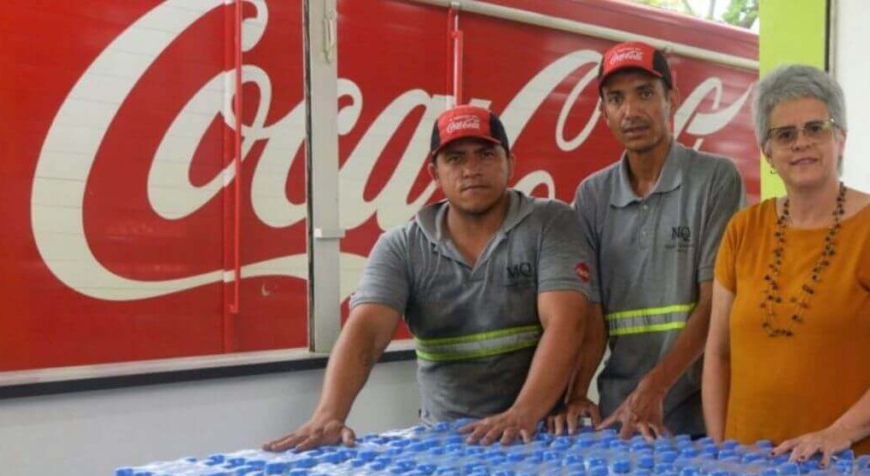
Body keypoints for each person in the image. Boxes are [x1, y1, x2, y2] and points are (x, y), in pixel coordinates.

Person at [265, 105, 596, 451]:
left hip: (540, 436)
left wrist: (523, 413)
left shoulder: (551, 224)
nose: (471, 169)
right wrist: (328, 415)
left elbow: (567, 322)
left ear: (510, 163)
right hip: (446, 442)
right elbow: (366, 333)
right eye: (455, 158)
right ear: (434, 174)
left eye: (485, 155)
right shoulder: (402, 247)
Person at [702, 64, 870, 462]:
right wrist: (721, 450)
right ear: (767, 152)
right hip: (751, 472)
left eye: (816, 128)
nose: (801, 143)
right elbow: (718, 354)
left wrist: (837, 434)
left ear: (840, 139)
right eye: (785, 134)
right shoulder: (742, 230)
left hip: (854, 470)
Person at [553, 41, 745, 439]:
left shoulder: (715, 179)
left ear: (672, 99)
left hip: (701, 417)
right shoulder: (592, 195)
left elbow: (715, 305)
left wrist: (655, 387)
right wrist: (576, 394)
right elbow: (593, 315)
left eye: (644, 93)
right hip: (620, 418)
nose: (631, 111)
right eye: (616, 99)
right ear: (603, 112)